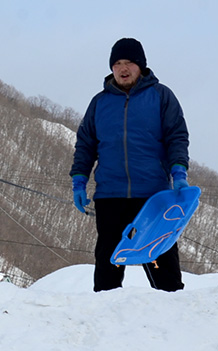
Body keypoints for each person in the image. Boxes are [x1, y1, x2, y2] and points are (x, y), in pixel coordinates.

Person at [70, 37, 190, 292]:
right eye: (118, 63)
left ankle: (173, 309)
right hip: (110, 194)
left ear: (141, 66)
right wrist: (79, 180)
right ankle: (104, 313)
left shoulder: (161, 96)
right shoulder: (100, 103)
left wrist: (178, 170)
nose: (123, 68)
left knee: (159, 258)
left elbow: (176, 136)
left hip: (152, 196)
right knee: (109, 260)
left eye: (129, 63)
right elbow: (85, 144)